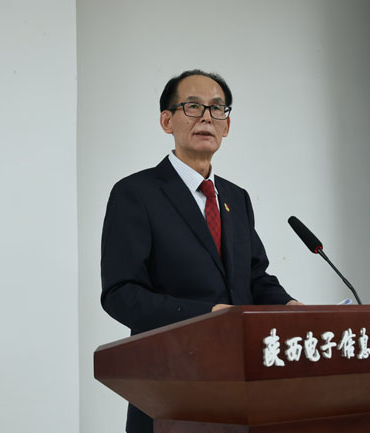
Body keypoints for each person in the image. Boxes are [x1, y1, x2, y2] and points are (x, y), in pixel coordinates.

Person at [100, 69, 301, 433]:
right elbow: (121, 294)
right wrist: (207, 316)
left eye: (217, 108)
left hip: (242, 389)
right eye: (193, 106)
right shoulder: (136, 194)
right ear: (167, 120)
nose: (207, 117)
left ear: (227, 126)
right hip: (170, 391)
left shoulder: (236, 198)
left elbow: (254, 277)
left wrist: (290, 307)